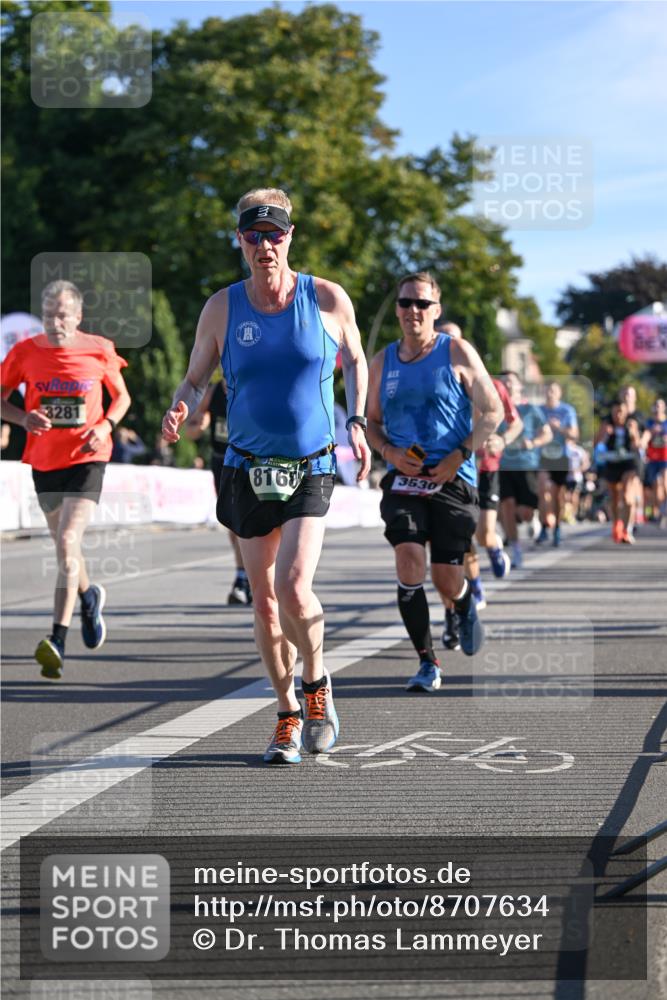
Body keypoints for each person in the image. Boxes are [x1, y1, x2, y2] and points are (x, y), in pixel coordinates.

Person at [161, 188, 370, 763]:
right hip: (247, 467)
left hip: (311, 464)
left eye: (273, 235)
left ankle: (318, 683)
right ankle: (286, 713)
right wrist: (181, 404)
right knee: (264, 602)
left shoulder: (325, 298)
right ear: (240, 241)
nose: (264, 246)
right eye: (252, 237)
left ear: (289, 237)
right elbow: (195, 377)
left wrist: (355, 419)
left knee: (294, 586)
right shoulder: (222, 308)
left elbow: (354, 358)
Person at [367, 271, 503, 693]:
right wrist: (389, 454)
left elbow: (492, 412)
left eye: (422, 304)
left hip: (453, 479)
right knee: (409, 561)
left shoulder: (457, 351)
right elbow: (371, 423)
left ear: (436, 310)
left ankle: (462, 603)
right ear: (397, 310)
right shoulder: (382, 362)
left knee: (446, 577)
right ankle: (427, 662)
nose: (413, 311)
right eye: (406, 303)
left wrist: (459, 455)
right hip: (404, 481)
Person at [0, 280, 131, 679]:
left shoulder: (98, 349)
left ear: (77, 316)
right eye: (48, 315)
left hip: (88, 457)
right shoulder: (24, 353)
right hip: (44, 461)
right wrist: (23, 418)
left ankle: (57, 637)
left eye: (63, 315)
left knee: (68, 540)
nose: (55, 322)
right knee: (65, 550)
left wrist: (106, 425)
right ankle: (89, 596)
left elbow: (122, 397)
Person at [185, 377, 252, 604]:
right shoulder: (212, 392)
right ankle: (245, 576)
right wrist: (198, 425)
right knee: (233, 523)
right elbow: (192, 429)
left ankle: (246, 579)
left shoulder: (252, 386)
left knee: (248, 522)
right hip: (221, 463)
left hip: (249, 461)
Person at [498, 371, 553, 568]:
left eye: (511, 382)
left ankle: (534, 518)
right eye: (503, 383)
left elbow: (547, 434)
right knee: (507, 506)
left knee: (526, 512)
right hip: (503, 466)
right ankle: (515, 549)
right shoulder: (495, 409)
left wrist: (533, 443)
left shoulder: (530, 409)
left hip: (527, 464)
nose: (507, 385)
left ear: (519, 387)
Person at [537, 380, 579, 547]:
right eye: (548, 391)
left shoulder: (567, 411)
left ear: (559, 393)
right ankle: (543, 526)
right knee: (543, 489)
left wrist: (558, 427)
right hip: (543, 456)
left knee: (557, 495)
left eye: (553, 391)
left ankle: (557, 528)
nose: (550, 394)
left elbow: (574, 434)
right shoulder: (538, 410)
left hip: (561, 456)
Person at [599, 400, 642, 543]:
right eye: (615, 411)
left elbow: (637, 446)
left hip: (629, 463)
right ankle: (617, 524)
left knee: (628, 496)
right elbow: (596, 443)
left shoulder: (632, 423)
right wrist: (604, 434)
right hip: (612, 463)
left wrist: (633, 434)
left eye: (621, 412)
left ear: (626, 412)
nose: (618, 415)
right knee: (614, 497)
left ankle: (627, 529)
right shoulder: (607, 424)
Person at [642, 398, 667, 526]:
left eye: (660, 406)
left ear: (664, 408)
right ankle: (659, 513)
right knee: (656, 487)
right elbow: (645, 439)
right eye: (655, 406)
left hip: (665, 458)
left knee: (665, 482)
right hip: (653, 459)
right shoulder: (650, 423)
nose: (657, 408)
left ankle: (663, 509)